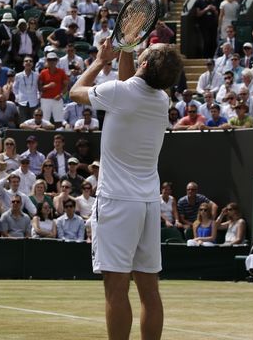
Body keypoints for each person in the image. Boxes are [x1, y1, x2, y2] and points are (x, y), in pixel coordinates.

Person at [69, 39, 184, 340]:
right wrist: (128, 51)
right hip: (148, 204)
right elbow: (128, 82)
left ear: (144, 64)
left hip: (117, 203)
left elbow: (75, 91)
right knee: (150, 290)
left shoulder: (119, 93)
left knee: (116, 288)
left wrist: (99, 60)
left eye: (145, 53)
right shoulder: (161, 101)